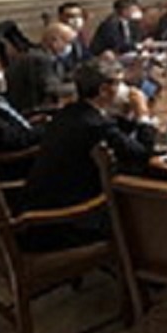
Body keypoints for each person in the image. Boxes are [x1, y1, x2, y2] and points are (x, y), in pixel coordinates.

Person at [21, 58, 157, 249]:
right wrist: (143, 113)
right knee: (147, 200)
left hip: (38, 210)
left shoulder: (69, 113)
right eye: (119, 83)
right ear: (103, 90)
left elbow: (112, 128)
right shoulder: (95, 124)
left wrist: (127, 116)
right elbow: (142, 154)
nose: (125, 89)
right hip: (63, 223)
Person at [5, 22, 77, 114]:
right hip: (29, 111)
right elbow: (52, 88)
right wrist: (80, 85)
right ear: (54, 41)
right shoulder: (40, 59)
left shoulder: (45, 56)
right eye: (68, 42)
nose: (69, 47)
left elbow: (59, 78)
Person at [56, 1, 92, 72]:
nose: (76, 20)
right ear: (60, 17)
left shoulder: (80, 36)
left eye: (79, 16)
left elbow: (87, 56)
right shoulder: (56, 38)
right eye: (71, 16)